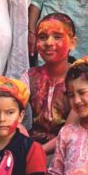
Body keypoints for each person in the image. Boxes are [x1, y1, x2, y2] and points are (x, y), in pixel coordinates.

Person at [23, 14, 75, 155]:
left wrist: (39, 152)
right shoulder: (29, 76)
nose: (49, 43)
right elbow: (16, 114)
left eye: (57, 37)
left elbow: (69, 131)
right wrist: (26, 147)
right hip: (30, 146)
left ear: (72, 43)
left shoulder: (80, 78)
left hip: (66, 149)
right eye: (43, 37)